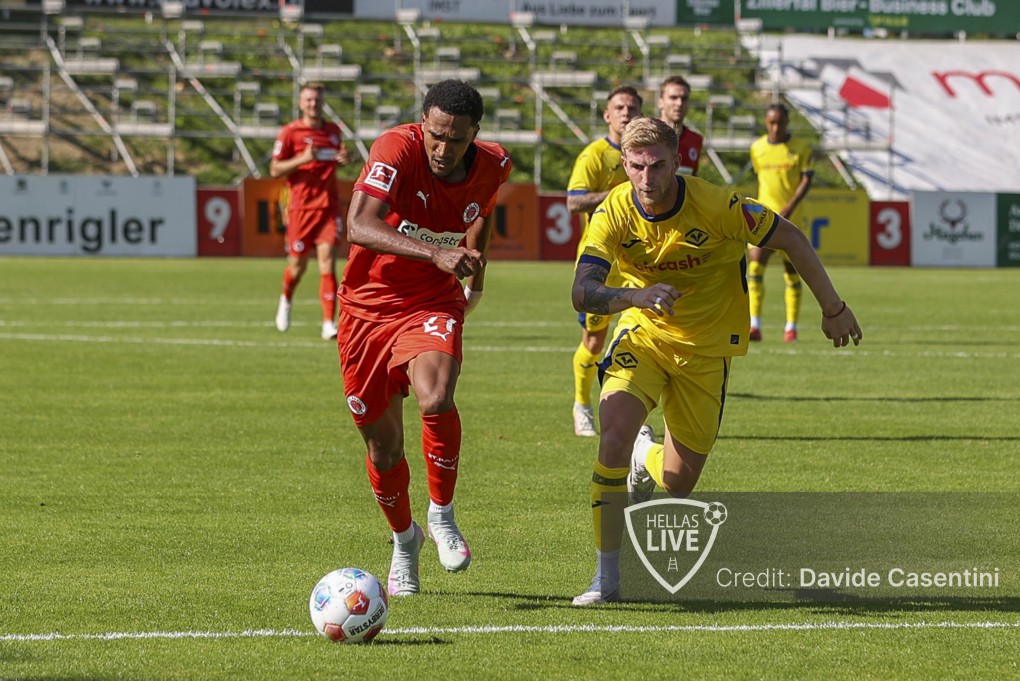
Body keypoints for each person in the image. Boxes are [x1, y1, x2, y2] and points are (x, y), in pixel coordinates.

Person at [570, 117, 861, 605]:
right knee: (613, 436)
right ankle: (607, 577)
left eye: (657, 165)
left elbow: (791, 237)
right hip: (643, 336)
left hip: (706, 351)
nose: (646, 177)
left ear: (677, 162)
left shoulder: (718, 206)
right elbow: (582, 291)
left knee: (678, 483)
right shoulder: (614, 211)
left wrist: (834, 309)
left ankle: (646, 456)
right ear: (624, 164)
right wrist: (635, 297)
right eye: (636, 166)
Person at [338, 80, 512, 597]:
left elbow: (481, 211)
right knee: (383, 449)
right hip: (366, 309)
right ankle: (404, 539)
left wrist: (475, 278)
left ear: (475, 134)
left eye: (456, 139)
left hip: (432, 302)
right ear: (422, 124)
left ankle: (441, 514)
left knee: (436, 396)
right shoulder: (396, 149)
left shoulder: (496, 164)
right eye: (435, 135)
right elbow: (358, 224)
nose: (442, 148)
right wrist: (436, 252)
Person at [566, 85, 643, 437]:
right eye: (619, 107)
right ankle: (581, 405)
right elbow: (574, 201)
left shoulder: (647, 155)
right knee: (594, 343)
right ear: (607, 115)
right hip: (601, 264)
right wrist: (619, 195)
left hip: (640, 264)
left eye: (632, 107)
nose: (626, 112)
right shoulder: (595, 155)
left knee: (642, 338)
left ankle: (635, 416)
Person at [270, 81, 348, 340]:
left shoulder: (333, 131)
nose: (313, 104)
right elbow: (275, 170)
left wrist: (344, 159)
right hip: (300, 208)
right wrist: (302, 159)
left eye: (317, 99)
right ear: (301, 103)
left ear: (323, 102)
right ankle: (286, 297)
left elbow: (338, 158)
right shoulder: (289, 133)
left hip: (328, 207)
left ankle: (328, 323)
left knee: (328, 264)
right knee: (297, 266)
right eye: (309, 100)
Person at [747, 103, 814, 343]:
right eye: (771, 122)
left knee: (792, 274)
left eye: (780, 122)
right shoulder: (757, 148)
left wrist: (790, 207)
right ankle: (754, 325)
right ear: (766, 122)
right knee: (755, 267)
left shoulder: (801, 148)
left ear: (787, 122)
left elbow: (806, 180)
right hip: (763, 219)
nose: (776, 127)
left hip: (792, 220)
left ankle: (791, 327)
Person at [656, 75, 703, 176]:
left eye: (684, 98)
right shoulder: (646, 135)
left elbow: (693, 178)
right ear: (660, 102)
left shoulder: (696, 140)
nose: (679, 103)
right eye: (673, 97)